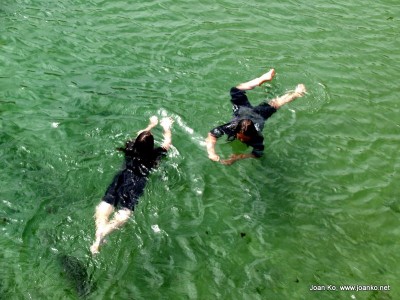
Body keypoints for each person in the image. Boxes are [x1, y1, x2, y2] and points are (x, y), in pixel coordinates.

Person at [90, 116, 173, 254]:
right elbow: (168, 141)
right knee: (125, 211)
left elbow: (139, 135)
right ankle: (104, 233)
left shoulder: (129, 148)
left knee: (107, 202)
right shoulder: (155, 155)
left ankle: (99, 232)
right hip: (136, 183)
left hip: (121, 178)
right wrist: (166, 126)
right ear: (151, 146)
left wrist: (150, 125)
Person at [205, 68, 306, 165]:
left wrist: (239, 157)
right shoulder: (232, 126)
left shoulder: (256, 138)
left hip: (258, 115)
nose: (242, 140)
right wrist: (211, 153)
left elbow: (257, 154)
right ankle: (262, 79)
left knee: (276, 104)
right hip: (243, 111)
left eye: (244, 139)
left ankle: (297, 93)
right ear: (237, 131)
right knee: (235, 90)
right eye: (241, 138)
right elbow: (212, 135)